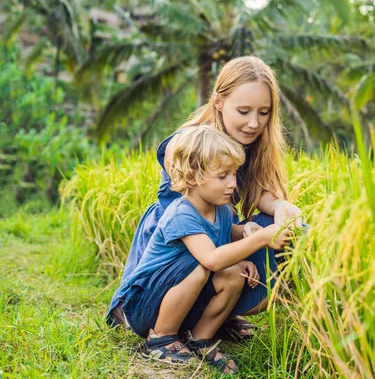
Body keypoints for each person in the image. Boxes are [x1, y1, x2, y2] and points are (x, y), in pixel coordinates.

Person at [108, 56, 303, 340]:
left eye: (264, 113)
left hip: (215, 237)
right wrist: (252, 239)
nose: (253, 123)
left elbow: (258, 191)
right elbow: (199, 241)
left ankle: (218, 315)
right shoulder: (190, 146)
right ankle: (170, 326)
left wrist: (282, 207)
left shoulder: (247, 146)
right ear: (219, 102)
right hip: (180, 251)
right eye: (244, 110)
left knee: (291, 231)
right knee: (203, 264)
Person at [119, 125, 292, 372]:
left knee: (233, 275)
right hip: (145, 306)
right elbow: (210, 258)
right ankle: (160, 339)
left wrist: (246, 231)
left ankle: (199, 338)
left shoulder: (220, 210)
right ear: (192, 176)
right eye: (223, 176)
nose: (232, 184)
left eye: (234, 174)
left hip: (182, 303)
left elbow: (227, 235)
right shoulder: (181, 213)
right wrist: (262, 237)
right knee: (200, 269)